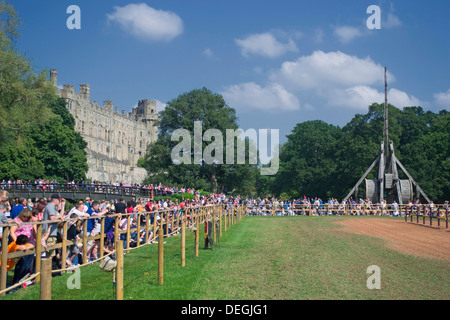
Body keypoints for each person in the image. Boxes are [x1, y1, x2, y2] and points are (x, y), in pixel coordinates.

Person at [42, 194, 66, 259]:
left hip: (52, 233)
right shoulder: (50, 206)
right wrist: (59, 217)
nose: (59, 202)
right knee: (49, 254)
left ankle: (47, 268)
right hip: (49, 233)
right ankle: (46, 269)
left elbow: (60, 215)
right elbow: (52, 218)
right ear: (55, 200)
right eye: (59, 200)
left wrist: (63, 206)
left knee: (51, 254)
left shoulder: (53, 207)